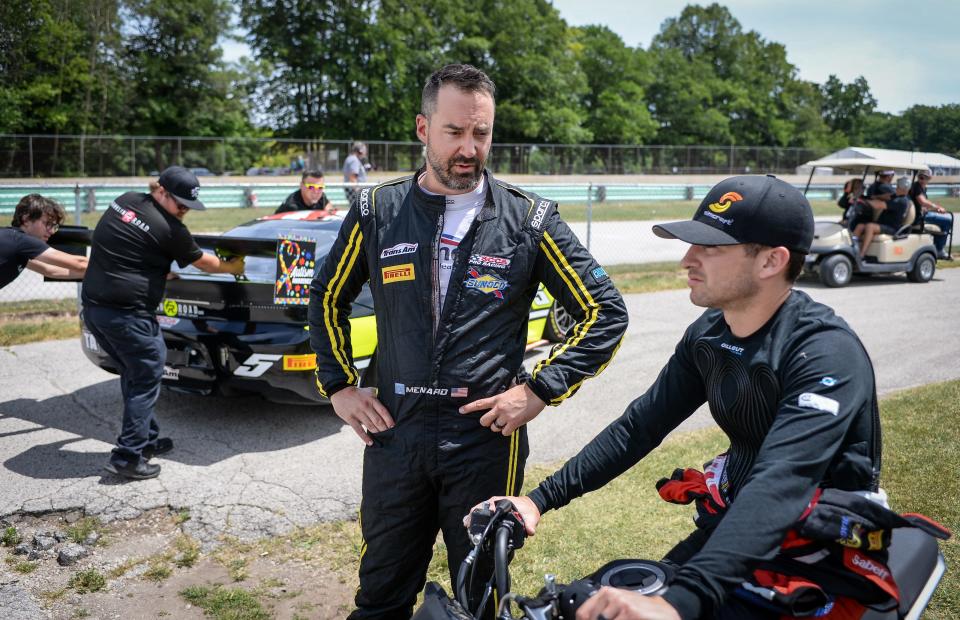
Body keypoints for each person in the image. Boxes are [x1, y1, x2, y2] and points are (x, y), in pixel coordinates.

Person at [476, 175, 889, 620]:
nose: (687, 260)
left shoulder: (826, 353)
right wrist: (537, 500)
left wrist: (677, 604)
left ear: (771, 260)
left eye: (710, 248)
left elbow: (781, 482)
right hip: (733, 523)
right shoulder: (710, 332)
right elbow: (641, 426)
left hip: (819, 551)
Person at [309, 63, 628, 619]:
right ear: (422, 129)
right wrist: (339, 386)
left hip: (484, 441)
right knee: (379, 597)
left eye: (481, 134)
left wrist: (539, 390)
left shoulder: (529, 219)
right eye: (454, 132)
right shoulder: (375, 211)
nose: (469, 148)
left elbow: (605, 312)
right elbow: (326, 297)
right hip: (395, 436)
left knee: (479, 600)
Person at [82, 166, 245, 480]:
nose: (184, 211)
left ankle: (147, 440)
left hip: (95, 310)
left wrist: (153, 269)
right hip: (128, 315)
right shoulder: (170, 230)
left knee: (134, 371)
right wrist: (232, 265)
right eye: (180, 204)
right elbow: (206, 263)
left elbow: (126, 246)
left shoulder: (125, 200)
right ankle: (128, 456)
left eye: (188, 206)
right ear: (160, 191)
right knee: (146, 373)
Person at [1, 194, 88, 289]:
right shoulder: (21, 241)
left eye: (53, 226)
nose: (51, 231)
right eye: (47, 223)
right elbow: (79, 263)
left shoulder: (15, 243)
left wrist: (90, 273)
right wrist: (105, 262)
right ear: (26, 219)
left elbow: (50, 270)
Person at [853, 176, 912, 258]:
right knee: (860, 226)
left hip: (892, 228)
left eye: (898, 186)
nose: (896, 187)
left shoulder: (901, 201)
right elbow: (887, 196)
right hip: (884, 224)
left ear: (903, 188)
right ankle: (852, 249)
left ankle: (861, 255)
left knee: (870, 226)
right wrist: (874, 197)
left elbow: (878, 205)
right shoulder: (896, 196)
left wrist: (862, 201)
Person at [910, 169, 952, 260]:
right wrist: (937, 208)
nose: (921, 179)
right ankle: (939, 249)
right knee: (947, 221)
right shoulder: (917, 186)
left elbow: (925, 205)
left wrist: (936, 209)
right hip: (919, 217)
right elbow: (922, 201)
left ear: (929, 178)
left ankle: (937, 246)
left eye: (924, 177)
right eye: (920, 177)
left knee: (943, 221)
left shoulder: (922, 187)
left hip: (922, 214)